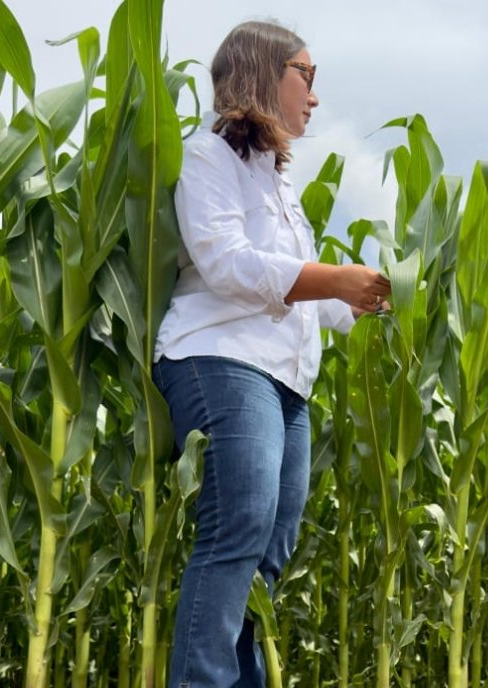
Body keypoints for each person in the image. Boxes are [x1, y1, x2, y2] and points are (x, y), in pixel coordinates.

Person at [152, 20, 390, 688]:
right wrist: (332, 278)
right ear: (262, 72)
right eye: (306, 77)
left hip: (286, 384)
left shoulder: (278, 185)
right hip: (222, 360)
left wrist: (364, 298)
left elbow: (306, 290)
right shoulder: (209, 157)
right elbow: (228, 264)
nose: (314, 98)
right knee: (238, 532)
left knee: (267, 555)